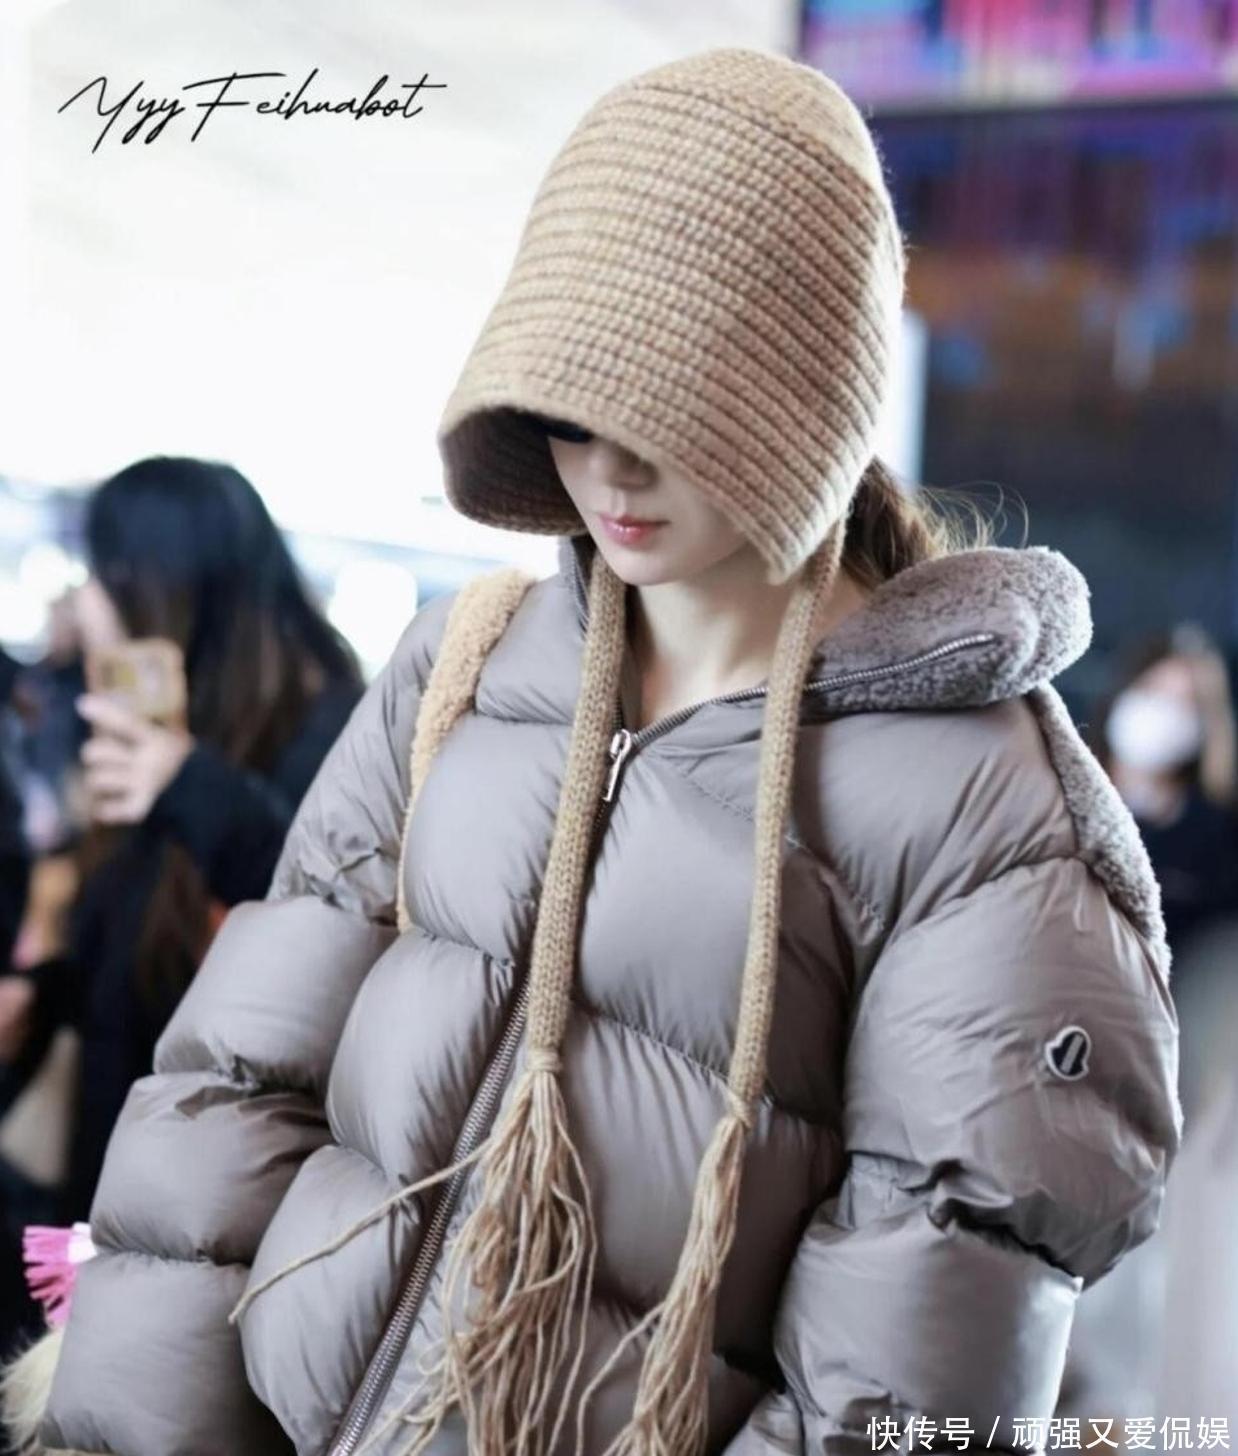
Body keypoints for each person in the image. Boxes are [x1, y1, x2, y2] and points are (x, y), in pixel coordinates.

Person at [38, 49, 1179, 1456]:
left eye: (670, 411)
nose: (609, 468)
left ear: (807, 396)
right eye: (569, 407)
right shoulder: (460, 662)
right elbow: (239, 1080)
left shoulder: (980, 801)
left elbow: (923, 1328)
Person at [0, 456, 363, 1229]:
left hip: (209, 1199)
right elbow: (130, 952)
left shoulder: (331, 733)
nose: (86, 601)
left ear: (158, 582)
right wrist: (43, 989)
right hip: (108, 1166)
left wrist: (189, 783)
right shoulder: (170, 721)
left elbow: (326, 921)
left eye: (102, 572)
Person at [1090, 625, 1238, 965]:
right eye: (1153, 690)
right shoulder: (1056, 800)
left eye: (1185, 703)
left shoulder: (1218, 837)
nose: (1164, 712)